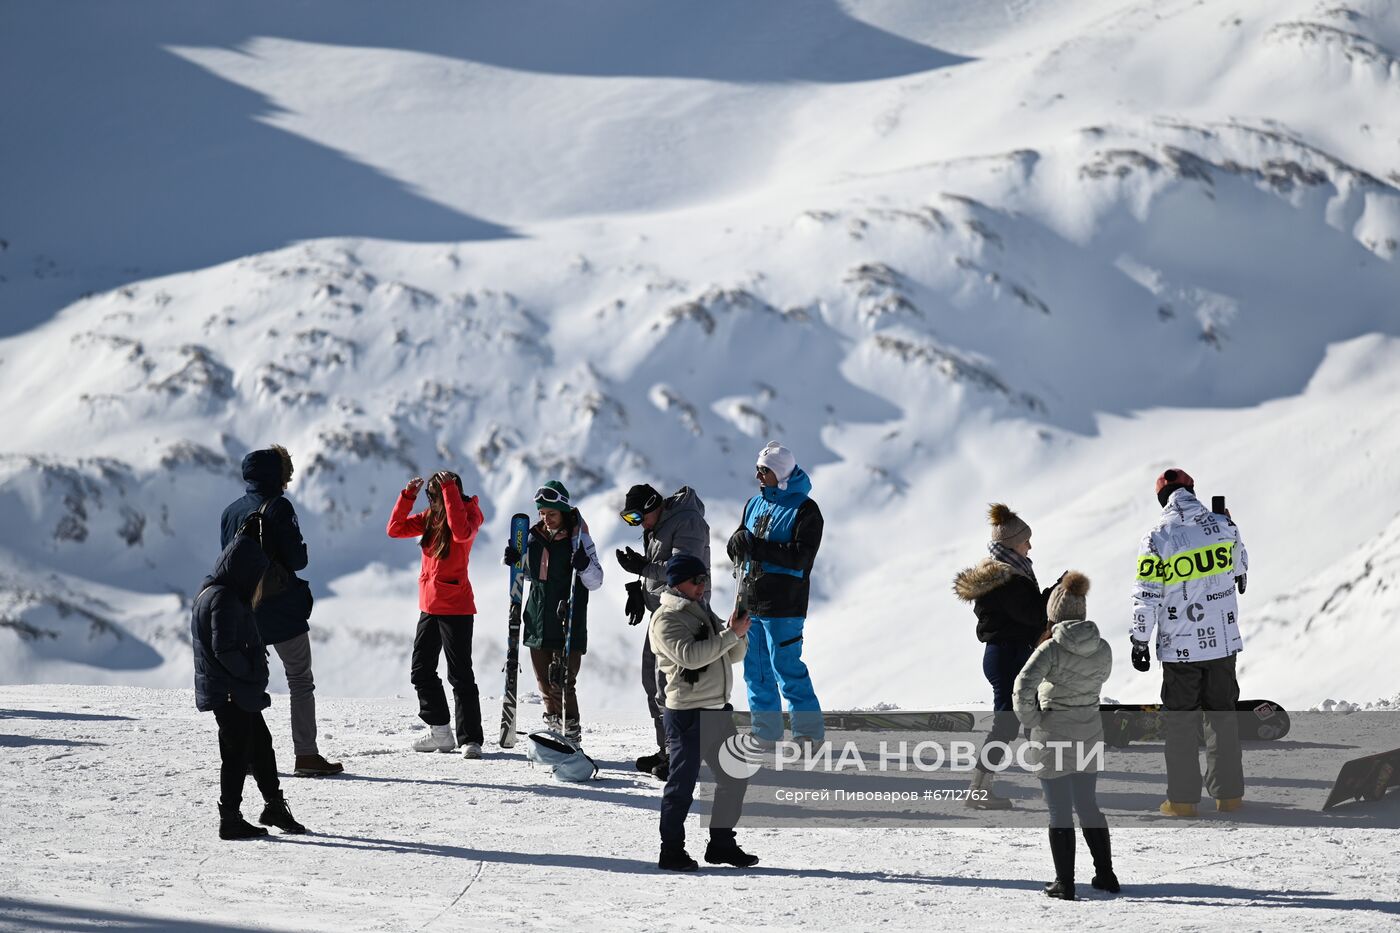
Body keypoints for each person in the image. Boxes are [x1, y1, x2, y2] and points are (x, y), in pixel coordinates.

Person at [1131, 468, 1249, 817]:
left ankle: (1182, 801)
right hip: (1223, 644)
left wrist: (1140, 641)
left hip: (1180, 648)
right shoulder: (1223, 526)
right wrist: (1229, 527)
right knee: (1222, 720)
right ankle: (1229, 797)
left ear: (1161, 499)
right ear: (1192, 491)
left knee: (1181, 725)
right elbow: (1241, 573)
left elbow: (1146, 597)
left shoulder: (1157, 537)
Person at [219, 445, 342, 777]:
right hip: (281, 608)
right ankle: (306, 755)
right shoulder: (279, 507)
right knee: (299, 679)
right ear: (275, 475)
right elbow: (297, 559)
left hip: (243, 609)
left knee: (247, 682)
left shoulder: (231, 512)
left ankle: (244, 755)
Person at [193, 522, 308, 839]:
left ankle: (273, 805)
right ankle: (229, 817)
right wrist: (251, 672)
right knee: (236, 752)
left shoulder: (217, 593)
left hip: (233, 691)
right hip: (230, 692)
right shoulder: (224, 599)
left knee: (259, 746)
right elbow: (224, 648)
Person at [1014, 571, 1118, 901]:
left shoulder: (1050, 650)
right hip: (1089, 733)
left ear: (1054, 613)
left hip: (1053, 736)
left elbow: (1022, 687)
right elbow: (1102, 677)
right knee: (1088, 805)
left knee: (1059, 811)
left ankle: (1065, 883)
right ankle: (1106, 875)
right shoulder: (1102, 647)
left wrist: (1033, 720)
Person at [650, 553, 757, 872]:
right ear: (676, 582)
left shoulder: (700, 612)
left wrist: (738, 632)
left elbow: (732, 655)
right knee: (681, 785)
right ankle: (671, 850)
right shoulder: (666, 619)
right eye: (696, 580)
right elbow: (691, 657)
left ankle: (721, 844)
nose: (702, 585)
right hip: (688, 713)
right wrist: (728, 635)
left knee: (734, 776)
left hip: (716, 710)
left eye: (704, 579)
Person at [726, 441, 825, 745]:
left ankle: (808, 733)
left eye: (763, 471)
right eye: (757, 469)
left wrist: (756, 547)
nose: (758, 476)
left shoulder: (807, 510)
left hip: (785, 604)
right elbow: (739, 542)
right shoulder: (754, 503)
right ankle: (765, 732)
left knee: (787, 669)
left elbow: (801, 557)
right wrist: (736, 543)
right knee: (755, 671)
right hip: (750, 598)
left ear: (780, 473)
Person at [952, 503, 1050, 809]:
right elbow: (1031, 616)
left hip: (1007, 653)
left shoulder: (1007, 575)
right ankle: (978, 789)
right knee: (1008, 722)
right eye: (1025, 541)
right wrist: (1054, 593)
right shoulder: (1007, 578)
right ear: (1011, 544)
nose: (1030, 546)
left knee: (1028, 717)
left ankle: (1050, 781)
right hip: (1008, 654)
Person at [387, 471, 487, 758]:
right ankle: (441, 732)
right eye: (430, 496)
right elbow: (394, 529)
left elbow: (460, 533)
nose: (431, 501)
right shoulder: (431, 517)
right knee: (421, 670)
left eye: (436, 495)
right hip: (429, 605)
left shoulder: (469, 514)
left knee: (460, 674)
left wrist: (449, 491)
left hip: (456, 605)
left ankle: (471, 739)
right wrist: (407, 496)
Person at [616, 482, 711, 781]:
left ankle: (682, 755)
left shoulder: (688, 521)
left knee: (671, 686)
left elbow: (685, 568)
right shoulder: (657, 525)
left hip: (684, 613)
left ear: (654, 506)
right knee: (653, 681)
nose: (638, 524)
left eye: (638, 517)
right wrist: (640, 590)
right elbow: (660, 569)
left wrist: (643, 569)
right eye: (630, 520)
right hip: (663, 611)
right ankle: (668, 750)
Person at [504, 480, 603, 745]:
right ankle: (554, 731)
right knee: (545, 687)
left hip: (567, 621)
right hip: (537, 621)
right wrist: (516, 560)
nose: (546, 519)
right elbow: (528, 577)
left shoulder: (579, 540)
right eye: (542, 513)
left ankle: (571, 736)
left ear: (563, 512)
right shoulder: (534, 538)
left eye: (552, 513)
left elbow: (596, 580)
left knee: (563, 683)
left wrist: (583, 565)